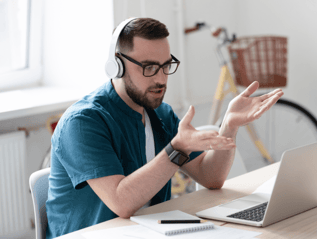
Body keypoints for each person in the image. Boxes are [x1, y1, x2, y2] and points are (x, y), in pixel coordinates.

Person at [45, 17, 283, 238]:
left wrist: (229, 125)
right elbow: (122, 203)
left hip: (150, 230)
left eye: (166, 65)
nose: (161, 79)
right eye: (149, 67)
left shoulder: (160, 113)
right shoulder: (83, 122)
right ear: (116, 66)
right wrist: (176, 149)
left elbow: (211, 178)